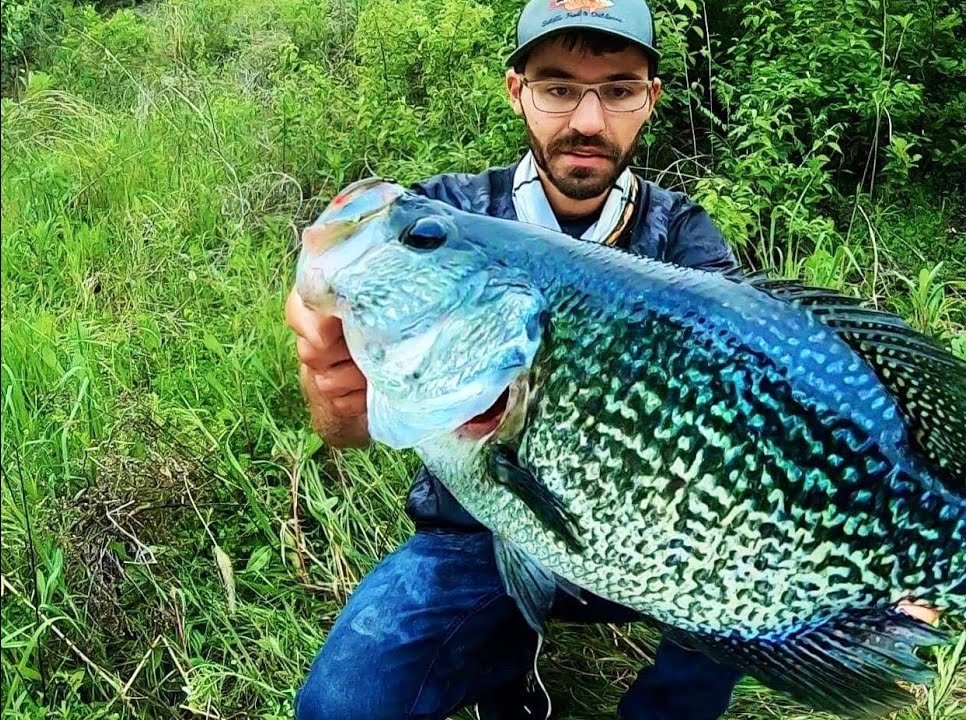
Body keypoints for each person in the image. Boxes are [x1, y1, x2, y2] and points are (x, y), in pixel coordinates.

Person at [286, 1, 747, 718]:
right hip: (481, 525)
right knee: (340, 707)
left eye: (618, 90)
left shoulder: (684, 241)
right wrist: (333, 390)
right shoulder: (443, 217)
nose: (588, 121)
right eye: (558, 88)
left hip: (665, 534)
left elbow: (768, 402)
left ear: (650, 99)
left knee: (751, 600)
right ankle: (505, 671)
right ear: (517, 91)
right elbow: (343, 430)